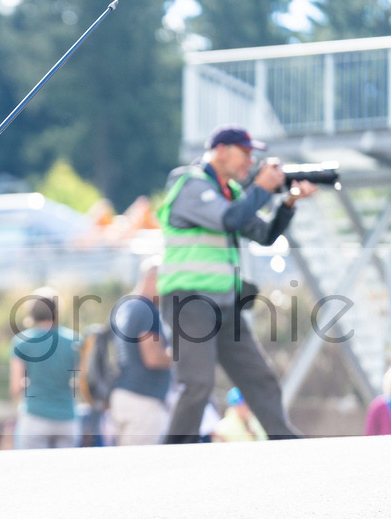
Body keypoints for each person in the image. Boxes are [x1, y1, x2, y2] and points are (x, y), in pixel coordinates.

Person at [157, 124, 317, 443]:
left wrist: (288, 203)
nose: (249, 161)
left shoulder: (230, 193)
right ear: (220, 151)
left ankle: (285, 440)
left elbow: (265, 235)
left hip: (223, 302)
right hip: (190, 298)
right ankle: (172, 452)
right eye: (244, 154)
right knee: (198, 383)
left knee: (260, 377)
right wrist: (261, 188)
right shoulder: (190, 184)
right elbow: (229, 219)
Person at [108, 257, 172, 446]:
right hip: (143, 401)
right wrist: (181, 356)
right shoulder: (146, 310)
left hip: (124, 396)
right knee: (141, 467)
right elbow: (152, 358)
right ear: (153, 279)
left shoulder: (124, 306)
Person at [9, 288, 80, 449]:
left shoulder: (22, 342)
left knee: (34, 472)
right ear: (57, 311)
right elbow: (81, 382)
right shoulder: (74, 341)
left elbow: (15, 387)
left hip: (35, 418)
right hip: (67, 418)